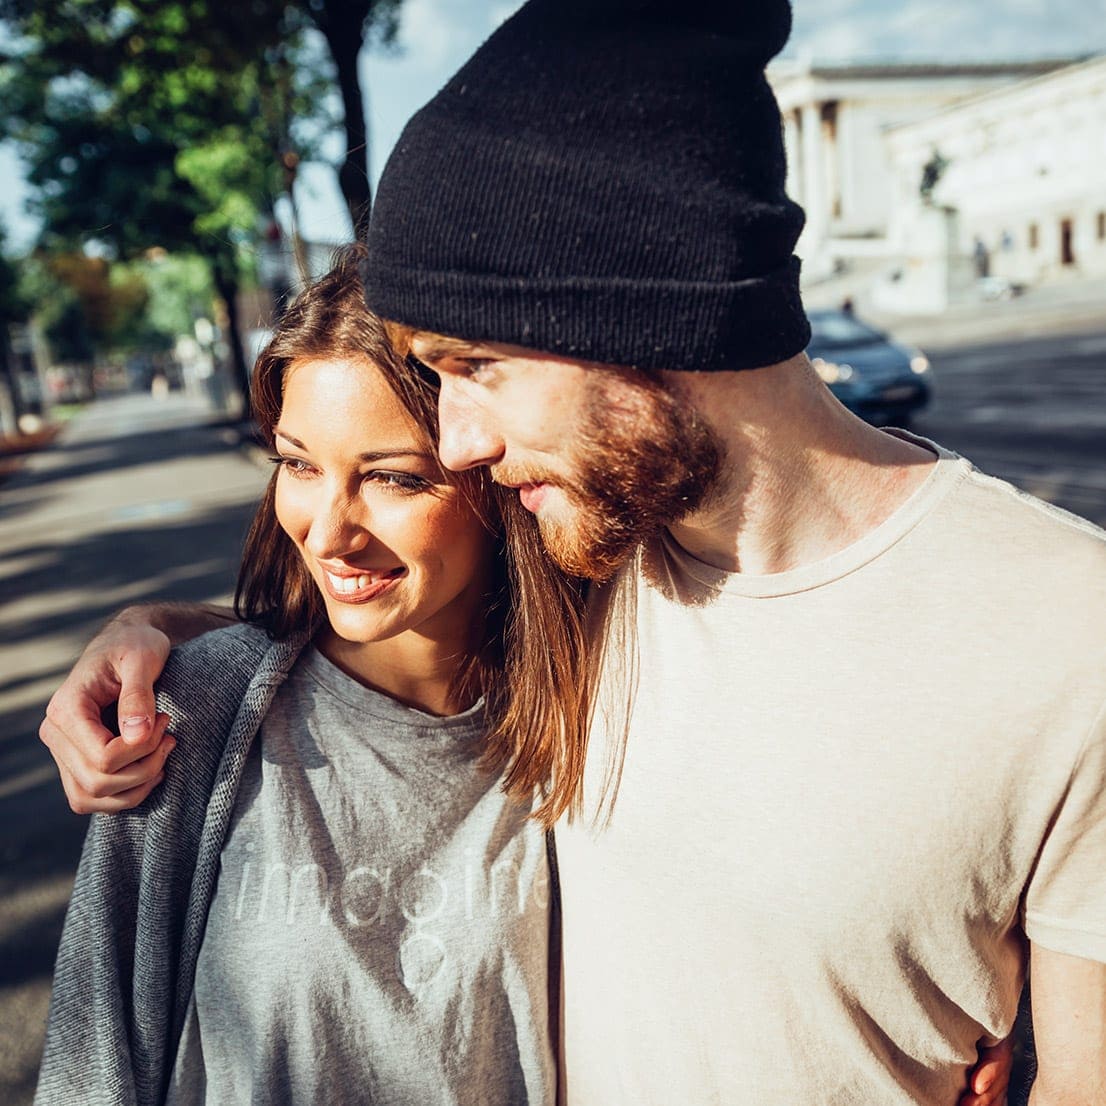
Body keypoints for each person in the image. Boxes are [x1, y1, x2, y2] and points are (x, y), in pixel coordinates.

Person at [41, 2, 1096, 1103]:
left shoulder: (1066, 631)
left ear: (642, 321)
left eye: (476, 365)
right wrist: (159, 633)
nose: (459, 444)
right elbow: (378, 634)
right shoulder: (594, 558)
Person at [36, 248, 594, 1105]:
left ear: (498, 475)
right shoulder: (189, 710)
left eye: (393, 478)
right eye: (299, 464)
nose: (328, 532)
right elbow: (95, 1050)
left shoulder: (599, 708)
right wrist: (156, 627)